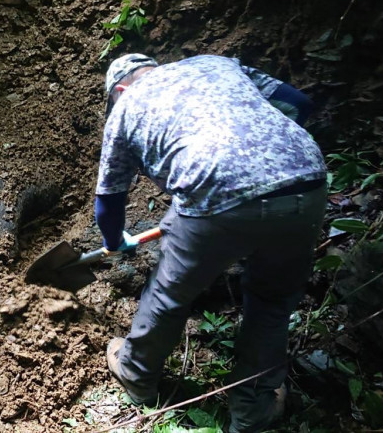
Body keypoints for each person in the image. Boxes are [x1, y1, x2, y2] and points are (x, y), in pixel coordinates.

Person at [95, 54, 327, 433]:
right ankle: (254, 411)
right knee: (271, 302)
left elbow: (108, 200)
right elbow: (298, 103)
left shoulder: (126, 106)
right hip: (306, 180)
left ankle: (137, 375)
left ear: (120, 90)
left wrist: (113, 240)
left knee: (170, 293)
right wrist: (270, 166)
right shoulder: (218, 64)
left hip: (216, 191)